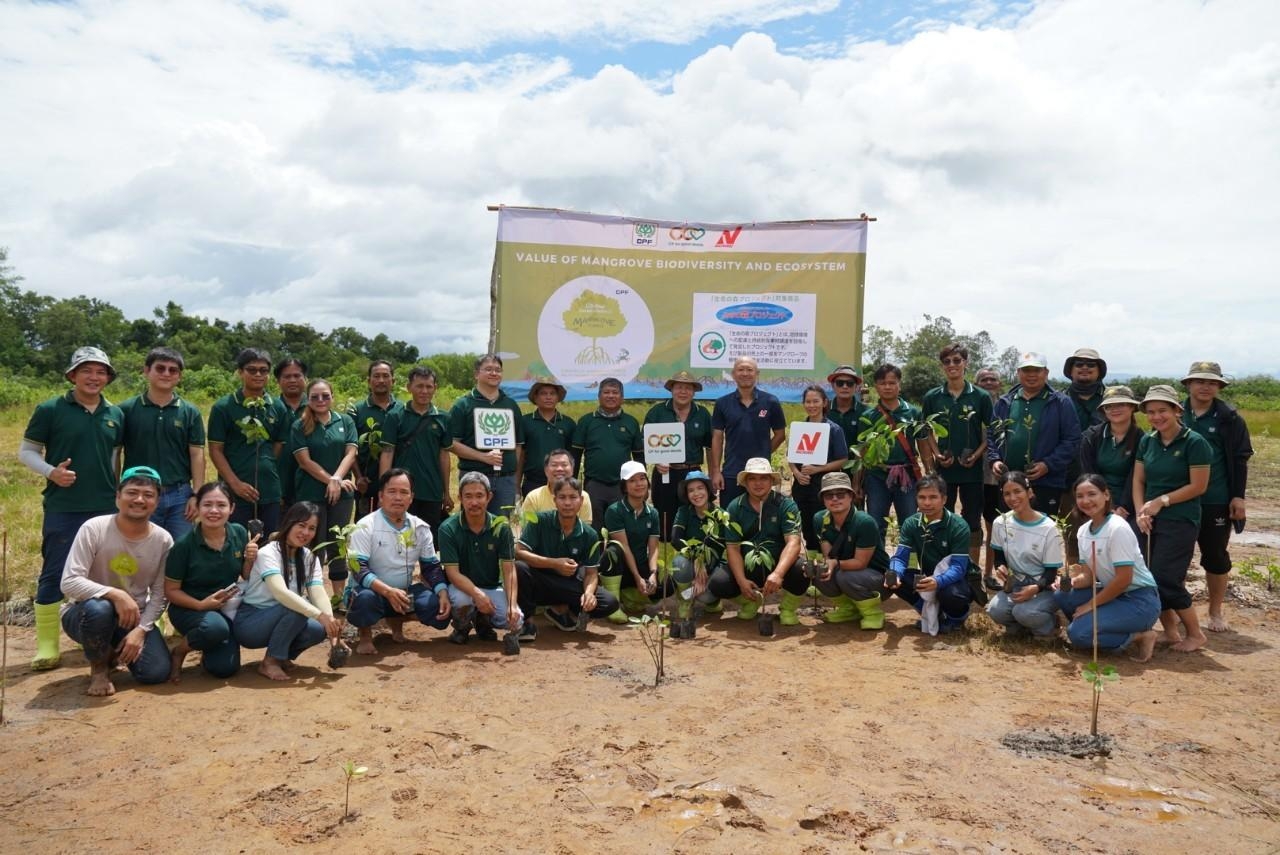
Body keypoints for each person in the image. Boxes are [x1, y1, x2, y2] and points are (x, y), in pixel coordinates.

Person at [20, 346, 125, 670]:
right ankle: (48, 645)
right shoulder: (51, 409)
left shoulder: (115, 414)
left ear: (108, 377)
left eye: (100, 372)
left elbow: (114, 458)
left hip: (106, 505)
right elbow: (27, 452)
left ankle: (112, 635)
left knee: (112, 570)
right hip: (64, 506)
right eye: (86, 371)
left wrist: (118, 491)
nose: (94, 377)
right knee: (55, 570)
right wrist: (51, 472)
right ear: (72, 375)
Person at [58, 466, 172, 694]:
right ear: (118, 496)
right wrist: (116, 594)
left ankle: (111, 650)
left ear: (157, 502)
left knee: (156, 672)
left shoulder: (163, 540)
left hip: (132, 618)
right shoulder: (94, 528)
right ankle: (99, 669)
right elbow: (69, 581)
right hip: (84, 612)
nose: (139, 499)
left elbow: (160, 594)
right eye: (132, 492)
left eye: (148, 495)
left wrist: (141, 630)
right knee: (100, 609)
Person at [1134, 384, 1211, 653]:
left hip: (1180, 518)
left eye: (1163, 410)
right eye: (1151, 412)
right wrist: (1140, 511)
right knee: (1149, 577)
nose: (1157, 417)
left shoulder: (1195, 442)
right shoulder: (1148, 440)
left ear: (1177, 410)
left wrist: (1161, 501)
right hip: (1150, 518)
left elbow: (1198, 486)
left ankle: (1195, 633)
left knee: (1166, 577)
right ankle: (1170, 632)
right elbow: (1138, 479)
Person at [1180, 361, 1254, 632]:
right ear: (1188, 384)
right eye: (1199, 381)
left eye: (1212, 382)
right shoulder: (1174, 413)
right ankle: (1179, 609)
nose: (1205, 386)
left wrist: (1238, 497)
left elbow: (1240, 458)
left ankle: (1215, 611)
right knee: (1177, 555)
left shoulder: (1229, 418)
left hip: (1216, 497)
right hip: (1179, 498)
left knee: (1215, 556)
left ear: (1219, 386)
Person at [344, 469, 451, 654]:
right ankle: (365, 636)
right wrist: (387, 591)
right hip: (370, 591)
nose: (398, 497)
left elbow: (431, 567)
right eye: (392, 492)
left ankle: (396, 624)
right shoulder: (365, 526)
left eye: (404, 492)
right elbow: (358, 569)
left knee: (435, 606)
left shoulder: (421, 528)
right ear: (380, 496)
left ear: (411, 498)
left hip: (403, 592)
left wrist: (442, 592)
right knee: (364, 600)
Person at [1055, 475, 1160, 662]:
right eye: (1080, 496)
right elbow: (1088, 577)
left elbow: (1123, 580)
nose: (1085, 501)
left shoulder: (1117, 528)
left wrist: (1090, 605)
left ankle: (1140, 635)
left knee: (1077, 634)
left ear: (1106, 495)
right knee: (1062, 594)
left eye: (1092, 494)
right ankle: (1095, 628)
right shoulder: (1083, 531)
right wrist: (1070, 582)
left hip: (1139, 600)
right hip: (1113, 595)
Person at [234, 501, 344, 680]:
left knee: (318, 628)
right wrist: (320, 615)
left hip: (281, 616)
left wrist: (330, 624)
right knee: (297, 607)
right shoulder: (268, 553)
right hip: (251, 623)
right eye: (301, 525)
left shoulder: (309, 557)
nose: (305, 533)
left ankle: (281, 655)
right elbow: (281, 593)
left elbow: (317, 591)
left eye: (311, 528)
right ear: (288, 522)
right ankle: (270, 662)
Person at [164, 482, 258, 682]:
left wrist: (250, 560)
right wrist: (200, 605)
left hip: (225, 608)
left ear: (231, 509)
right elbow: (171, 591)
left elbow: (245, 575)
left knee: (225, 669)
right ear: (197, 508)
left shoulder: (239, 532)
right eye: (207, 505)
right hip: (188, 608)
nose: (214, 511)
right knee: (215, 629)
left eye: (221, 505)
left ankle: (207, 646)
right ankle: (179, 652)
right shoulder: (183, 545)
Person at [119, 346, 206, 541]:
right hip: (139, 494)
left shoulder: (189, 412)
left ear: (179, 376)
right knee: (140, 548)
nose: (166, 374)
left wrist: (196, 495)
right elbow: (115, 453)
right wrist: (116, 490)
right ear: (146, 371)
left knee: (180, 552)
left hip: (180, 495)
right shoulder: (126, 409)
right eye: (160, 368)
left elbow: (197, 455)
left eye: (172, 370)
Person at [707, 457, 808, 625]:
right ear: (745, 482)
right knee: (719, 583)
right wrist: (741, 581)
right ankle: (750, 601)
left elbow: (793, 542)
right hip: (747, 566)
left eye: (763, 478)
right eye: (752, 478)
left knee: (802, 570)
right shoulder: (735, 507)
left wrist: (778, 574)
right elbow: (733, 548)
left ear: (771, 481)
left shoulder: (785, 504)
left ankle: (788, 607)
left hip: (778, 564)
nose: (757, 483)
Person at [515, 477, 619, 630]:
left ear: (581, 500)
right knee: (520, 568)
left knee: (609, 603)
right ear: (554, 500)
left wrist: (589, 594)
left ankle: (564, 610)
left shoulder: (589, 534)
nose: (568, 503)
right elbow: (519, 552)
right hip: (540, 582)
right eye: (562, 497)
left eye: (573, 497)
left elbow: (591, 573)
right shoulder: (540, 521)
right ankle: (527, 622)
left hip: (567, 584)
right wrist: (553, 563)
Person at [921, 344, 992, 569]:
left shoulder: (980, 396)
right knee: (943, 517)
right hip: (944, 470)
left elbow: (991, 432)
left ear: (965, 363)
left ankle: (970, 568)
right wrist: (937, 453)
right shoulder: (933, 397)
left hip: (972, 470)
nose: (952, 365)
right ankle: (944, 565)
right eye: (947, 362)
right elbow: (926, 429)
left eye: (957, 360)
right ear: (942, 366)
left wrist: (977, 455)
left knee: (972, 520)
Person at [208, 348, 289, 537]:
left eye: (263, 370)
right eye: (252, 370)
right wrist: (235, 484)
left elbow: (278, 444)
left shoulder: (277, 406)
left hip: (269, 490)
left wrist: (264, 465)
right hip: (236, 491)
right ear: (240, 372)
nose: (258, 374)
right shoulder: (224, 407)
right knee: (237, 543)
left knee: (269, 544)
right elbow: (215, 450)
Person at [988, 352, 1081, 514]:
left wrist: (1048, 464)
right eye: (1026, 370)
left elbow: (1072, 440)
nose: (1031, 375)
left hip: (1046, 482)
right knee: (1009, 527)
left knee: (1041, 530)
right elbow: (992, 434)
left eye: (1037, 370)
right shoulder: (1005, 402)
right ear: (1018, 373)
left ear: (1046, 373)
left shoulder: (1061, 402)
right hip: (1010, 481)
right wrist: (994, 459)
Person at [289, 379, 358, 596]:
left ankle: (339, 596)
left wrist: (337, 479)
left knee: (338, 544)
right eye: (315, 397)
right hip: (311, 494)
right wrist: (331, 481)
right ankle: (311, 594)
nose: (320, 400)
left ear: (332, 397)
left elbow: (350, 453)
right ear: (307, 399)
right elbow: (304, 461)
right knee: (313, 543)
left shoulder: (345, 421)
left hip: (342, 495)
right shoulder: (299, 425)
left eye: (325, 396)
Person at [440, 472, 523, 645]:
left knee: (516, 620)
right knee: (463, 600)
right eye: (468, 496)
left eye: (479, 496)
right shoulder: (448, 528)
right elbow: (453, 574)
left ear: (489, 497)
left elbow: (509, 570)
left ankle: (482, 622)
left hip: (492, 587)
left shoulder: (501, 527)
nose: (474, 502)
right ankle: (461, 627)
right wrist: (478, 594)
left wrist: (512, 605)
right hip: (461, 589)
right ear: (460, 498)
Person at [885, 475, 974, 635]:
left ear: (944, 499)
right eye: (922, 497)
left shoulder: (958, 526)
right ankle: (929, 613)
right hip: (926, 575)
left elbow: (959, 567)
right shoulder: (912, 523)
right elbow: (900, 557)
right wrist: (895, 573)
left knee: (951, 594)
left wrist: (937, 581)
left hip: (955, 580)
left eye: (933, 497)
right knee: (895, 576)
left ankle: (956, 619)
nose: (927, 503)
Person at [985, 472, 1063, 639]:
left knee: (1024, 612)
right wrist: (1000, 568)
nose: (1012, 497)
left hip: (1043, 587)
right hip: (1017, 585)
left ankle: (1048, 626)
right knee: (994, 610)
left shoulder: (1049, 528)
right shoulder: (1001, 523)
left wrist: (1035, 588)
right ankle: (1021, 627)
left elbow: (1051, 573)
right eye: (1007, 493)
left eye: (1017, 491)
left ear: (1029, 492)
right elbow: (999, 558)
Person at [380, 365, 453, 539]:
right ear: (409, 387)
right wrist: (384, 488)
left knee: (428, 541)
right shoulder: (395, 416)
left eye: (429, 386)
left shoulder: (443, 418)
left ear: (435, 388)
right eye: (419, 386)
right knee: (398, 539)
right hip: (401, 492)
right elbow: (387, 452)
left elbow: (444, 455)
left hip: (432, 491)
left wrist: (447, 492)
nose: (424, 391)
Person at [448, 354, 525, 515]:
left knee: (501, 527)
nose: (494, 373)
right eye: (488, 369)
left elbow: (518, 444)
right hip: (474, 477)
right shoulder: (463, 405)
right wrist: (483, 457)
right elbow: (452, 443)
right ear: (477, 374)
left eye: (498, 370)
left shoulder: (511, 405)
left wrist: (512, 472)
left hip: (506, 480)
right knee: (472, 524)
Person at [812, 472, 890, 630]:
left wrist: (835, 563)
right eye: (829, 495)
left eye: (840, 494)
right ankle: (848, 609)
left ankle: (872, 613)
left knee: (845, 575)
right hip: (846, 570)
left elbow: (860, 563)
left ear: (851, 496)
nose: (835, 499)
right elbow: (829, 556)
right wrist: (823, 564)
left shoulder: (864, 522)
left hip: (876, 578)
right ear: (823, 500)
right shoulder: (820, 519)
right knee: (817, 571)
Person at [858, 363, 927, 540]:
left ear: (899, 384)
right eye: (882, 383)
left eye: (892, 382)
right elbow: (863, 453)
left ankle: (910, 566)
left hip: (908, 477)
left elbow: (923, 445)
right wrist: (857, 483)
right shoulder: (868, 416)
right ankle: (878, 565)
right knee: (875, 524)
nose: (887, 387)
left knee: (910, 524)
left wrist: (929, 474)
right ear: (876, 387)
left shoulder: (914, 412)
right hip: (877, 477)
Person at [643, 370, 713, 541]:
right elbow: (644, 442)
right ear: (671, 389)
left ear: (694, 391)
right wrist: (656, 461)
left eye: (688, 388)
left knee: (693, 516)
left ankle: (693, 556)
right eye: (679, 387)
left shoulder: (702, 414)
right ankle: (664, 557)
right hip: (665, 473)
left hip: (692, 474)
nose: (683, 392)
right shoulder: (657, 412)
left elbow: (710, 447)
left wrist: (713, 473)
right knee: (664, 517)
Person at [709, 356, 785, 507]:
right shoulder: (722, 403)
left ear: (757, 373)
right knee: (729, 518)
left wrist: (763, 453)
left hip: (761, 473)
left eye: (749, 370)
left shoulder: (771, 402)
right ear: (733, 374)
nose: (745, 373)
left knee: (761, 519)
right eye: (741, 369)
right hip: (732, 472)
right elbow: (717, 438)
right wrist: (716, 471)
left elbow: (780, 434)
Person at [572, 377, 642, 529]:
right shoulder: (586, 421)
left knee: (621, 528)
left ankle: (619, 553)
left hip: (622, 485)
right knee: (594, 527)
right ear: (599, 396)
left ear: (622, 397)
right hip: (594, 484)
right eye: (606, 392)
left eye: (615, 392)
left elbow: (639, 457)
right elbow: (576, 456)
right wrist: (572, 484)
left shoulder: (631, 422)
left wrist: (641, 485)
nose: (611, 396)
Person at [787, 384, 849, 552]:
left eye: (815, 401)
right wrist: (797, 473)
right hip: (802, 487)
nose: (811, 405)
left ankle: (828, 562)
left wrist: (818, 469)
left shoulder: (834, 429)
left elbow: (843, 459)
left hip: (824, 487)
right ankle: (812, 562)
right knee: (806, 526)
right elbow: (791, 458)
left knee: (824, 525)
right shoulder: (799, 428)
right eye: (808, 402)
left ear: (824, 403)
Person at [599, 461, 661, 622]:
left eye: (642, 479)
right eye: (632, 480)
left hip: (641, 565)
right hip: (622, 567)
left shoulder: (652, 513)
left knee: (668, 584)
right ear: (624, 487)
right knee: (613, 551)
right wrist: (637, 577)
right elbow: (624, 546)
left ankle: (632, 597)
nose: (639, 484)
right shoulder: (615, 511)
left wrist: (653, 574)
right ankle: (614, 605)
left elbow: (653, 548)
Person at [1078, 385, 1142, 521]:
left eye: (1121, 404)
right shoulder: (1090, 437)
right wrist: (1108, 506)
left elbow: (1136, 477)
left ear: (1132, 407)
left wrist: (1123, 507)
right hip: (1096, 503)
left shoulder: (1143, 439)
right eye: (1109, 406)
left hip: (1131, 505)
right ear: (1103, 410)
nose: (1114, 410)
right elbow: (1089, 474)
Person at [669, 470, 727, 619]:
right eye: (691, 490)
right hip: (690, 562)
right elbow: (676, 539)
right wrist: (697, 559)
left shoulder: (720, 514)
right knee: (679, 563)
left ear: (708, 490)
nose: (696, 494)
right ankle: (685, 600)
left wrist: (704, 570)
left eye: (700, 488)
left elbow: (720, 548)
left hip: (712, 567)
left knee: (706, 596)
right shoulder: (684, 511)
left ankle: (711, 602)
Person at [349, 360, 403, 517]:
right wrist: (359, 477)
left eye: (385, 376)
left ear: (393, 381)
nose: (381, 380)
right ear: (368, 381)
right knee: (364, 527)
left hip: (397, 481)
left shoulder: (403, 409)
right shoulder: (357, 411)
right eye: (376, 376)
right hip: (367, 483)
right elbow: (350, 447)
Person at [519, 380, 575, 494]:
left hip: (562, 482)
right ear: (535, 397)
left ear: (558, 397)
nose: (548, 397)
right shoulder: (524, 422)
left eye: (552, 393)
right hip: (532, 482)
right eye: (543, 393)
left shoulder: (568, 423)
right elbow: (520, 455)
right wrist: (516, 485)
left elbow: (573, 457)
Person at [975, 368, 1004, 583]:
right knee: (975, 527)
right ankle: (974, 573)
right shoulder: (972, 407)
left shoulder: (1006, 406)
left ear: (1000, 383)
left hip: (1000, 476)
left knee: (995, 526)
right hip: (976, 475)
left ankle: (989, 573)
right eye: (983, 379)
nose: (988, 382)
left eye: (992, 379)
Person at [273, 357, 308, 509]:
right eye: (287, 377)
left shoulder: (317, 407)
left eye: (297, 376)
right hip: (278, 484)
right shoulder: (270, 408)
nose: (292, 380)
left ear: (306, 379)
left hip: (310, 486)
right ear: (278, 381)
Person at [521, 448, 592, 523]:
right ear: (546, 470)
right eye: (554, 465)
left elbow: (585, 530)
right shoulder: (533, 497)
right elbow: (526, 529)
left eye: (564, 465)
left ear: (572, 469)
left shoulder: (582, 496)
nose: (559, 469)